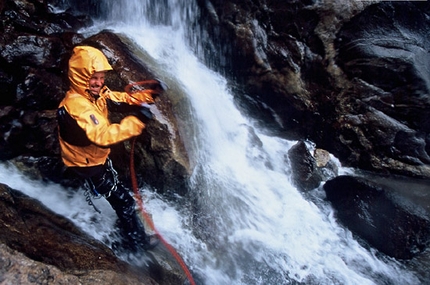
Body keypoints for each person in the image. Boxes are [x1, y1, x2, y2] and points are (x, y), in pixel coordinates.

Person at [57, 45, 161, 251]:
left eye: (101, 77)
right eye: (93, 77)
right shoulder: (78, 106)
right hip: (87, 164)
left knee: (119, 193)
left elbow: (119, 99)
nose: (99, 82)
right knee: (124, 203)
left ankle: (128, 228)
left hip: (92, 157)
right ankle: (137, 244)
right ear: (80, 76)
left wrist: (149, 96)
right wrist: (137, 121)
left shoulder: (94, 94)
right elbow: (103, 136)